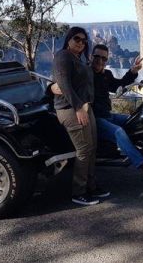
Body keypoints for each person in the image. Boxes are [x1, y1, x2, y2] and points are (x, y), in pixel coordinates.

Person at [52, 44, 143, 182]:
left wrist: (133, 71)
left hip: (109, 115)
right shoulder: (85, 73)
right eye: (97, 57)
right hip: (95, 118)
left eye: (104, 59)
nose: (100, 61)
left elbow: (118, 84)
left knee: (138, 120)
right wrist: (52, 87)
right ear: (91, 56)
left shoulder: (107, 75)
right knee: (118, 132)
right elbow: (66, 82)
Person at [52, 27, 109, 206]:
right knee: (84, 150)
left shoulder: (78, 59)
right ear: (69, 39)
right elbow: (64, 85)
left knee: (92, 148)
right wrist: (78, 108)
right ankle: (79, 192)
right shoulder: (63, 56)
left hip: (85, 107)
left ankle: (91, 186)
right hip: (70, 109)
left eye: (84, 41)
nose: (81, 43)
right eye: (77, 39)